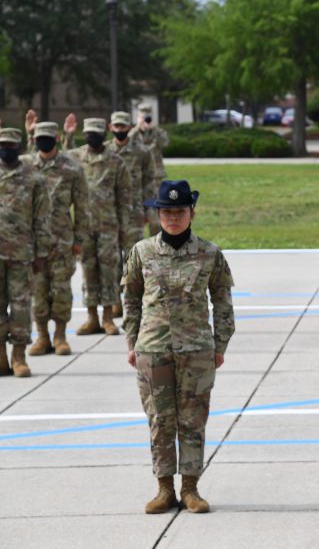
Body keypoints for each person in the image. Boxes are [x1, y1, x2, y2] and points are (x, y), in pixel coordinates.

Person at [122, 179, 235, 514]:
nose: (173, 217)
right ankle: (163, 488)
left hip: (197, 350)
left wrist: (220, 343)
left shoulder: (210, 253)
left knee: (193, 420)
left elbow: (223, 302)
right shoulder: (142, 252)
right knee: (159, 420)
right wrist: (132, 342)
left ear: (192, 213)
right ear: (158, 214)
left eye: (180, 211)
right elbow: (130, 299)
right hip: (153, 349)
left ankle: (190, 488)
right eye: (167, 211)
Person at [22, 122, 89, 357]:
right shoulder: (27, 166)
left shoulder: (72, 167)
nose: (43, 141)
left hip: (62, 240)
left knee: (61, 291)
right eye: (39, 138)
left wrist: (79, 239)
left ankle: (60, 336)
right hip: (34, 243)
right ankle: (42, 337)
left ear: (57, 138)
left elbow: (82, 207)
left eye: (47, 137)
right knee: (38, 292)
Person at [70, 118, 132, 336]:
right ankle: (91, 318)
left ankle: (107, 317)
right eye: (88, 133)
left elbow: (124, 198)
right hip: (84, 227)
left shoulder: (116, 162)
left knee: (108, 272)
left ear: (104, 134)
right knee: (88, 272)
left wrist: (124, 228)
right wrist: (67, 135)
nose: (91, 137)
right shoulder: (76, 157)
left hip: (108, 227)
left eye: (96, 133)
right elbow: (54, 162)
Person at [0, 128, 51, 378]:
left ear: (19, 147)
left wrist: (41, 252)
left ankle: (18, 355)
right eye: (2, 144)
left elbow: (42, 218)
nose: (5, 148)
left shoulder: (34, 178)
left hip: (22, 254)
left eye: (10, 144)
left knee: (20, 305)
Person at [108, 111, 156, 317]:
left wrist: (148, 209)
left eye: (123, 126)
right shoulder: (104, 152)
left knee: (133, 260)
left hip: (134, 212)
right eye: (116, 126)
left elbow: (149, 182)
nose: (119, 130)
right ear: (111, 128)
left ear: (129, 128)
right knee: (110, 260)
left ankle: (132, 302)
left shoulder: (141, 152)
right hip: (108, 214)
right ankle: (114, 301)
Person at [130, 103, 169, 235]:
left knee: (155, 215)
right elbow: (125, 144)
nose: (145, 119)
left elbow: (165, 143)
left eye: (147, 116)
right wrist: (137, 127)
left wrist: (155, 129)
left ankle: (156, 241)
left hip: (155, 177)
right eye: (142, 115)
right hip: (136, 177)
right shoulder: (133, 133)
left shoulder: (157, 131)